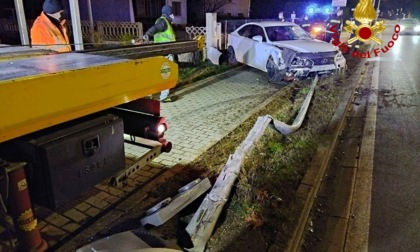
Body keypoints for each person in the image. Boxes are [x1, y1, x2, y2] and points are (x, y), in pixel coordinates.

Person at [143, 5, 177, 103]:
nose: (172, 15)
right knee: (167, 75)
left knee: (159, 74)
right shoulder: (163, 22)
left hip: (162, 52)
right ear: (167, 13)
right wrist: (147, 35)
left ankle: (150, 94)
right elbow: (155, 28)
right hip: (166, 53)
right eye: (171, 13)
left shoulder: (163, 21)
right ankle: (163, 97)